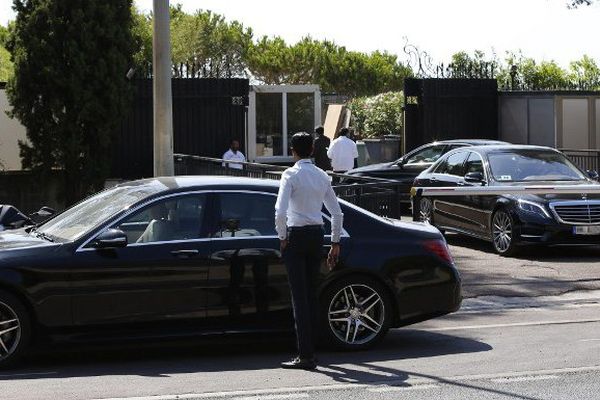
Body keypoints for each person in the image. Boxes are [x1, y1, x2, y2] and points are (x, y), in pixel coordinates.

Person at [275, 132, 344, 370]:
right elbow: (336, 212)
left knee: (299, 297)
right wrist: (335, 242)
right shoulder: (321, 175)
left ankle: (305, 355)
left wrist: (283, 237)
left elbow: (280, 212)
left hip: (297, 235)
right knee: (312, 294)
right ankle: (314, 349)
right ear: (313, 151)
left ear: (293, 151)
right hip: (317, 235)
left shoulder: (290, 174)